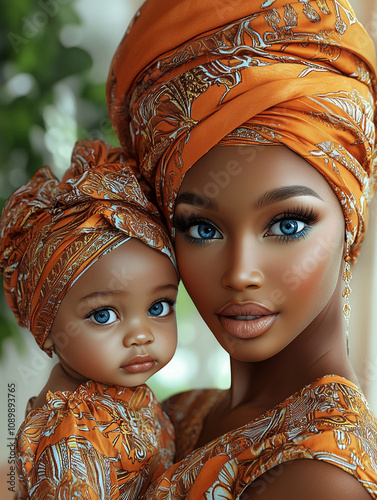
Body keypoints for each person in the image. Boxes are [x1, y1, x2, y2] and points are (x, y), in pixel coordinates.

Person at [106, 0, 377, 498]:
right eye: (202, 229)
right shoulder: (181, 414)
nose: (240, 273)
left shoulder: (318, 475)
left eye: (288, 223)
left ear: (350, 221)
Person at [0, 139, 179, 499]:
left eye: (159, 307)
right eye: (104, 315)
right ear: (47, 329)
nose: (141, 334)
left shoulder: (112, 391)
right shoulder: (72, 434)